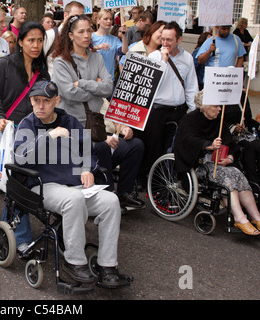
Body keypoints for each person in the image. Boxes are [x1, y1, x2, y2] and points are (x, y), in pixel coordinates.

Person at [14, 80, 132, 288]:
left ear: (57, 100)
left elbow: (87, 151)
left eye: (46, 101)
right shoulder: (27, 124)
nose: (40, 106)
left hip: (75, 185)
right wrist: (49, 136)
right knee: (74, 199)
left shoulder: (69, 121)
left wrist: (87, 169)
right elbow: (21, 159)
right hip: (44, 185)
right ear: (31, 101)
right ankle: (75, 261)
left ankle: (107, 266)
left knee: (111, 201)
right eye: (36, 101)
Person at [52, 14, 144, 210]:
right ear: (70, 35)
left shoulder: (97, 57)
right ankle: (107, 199)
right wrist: (96, 87)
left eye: (89, 30)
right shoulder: (61, 62)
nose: (87, 35)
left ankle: (124, 193)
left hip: (97, 125)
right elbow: (69, 93)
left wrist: (83, 83)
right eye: (81, 31)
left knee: (135, 145)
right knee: (101, 147)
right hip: (75, 128)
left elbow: (108, 88)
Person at [0, 21, 50, 252]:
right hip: (10, 131)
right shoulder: (5, 64)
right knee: (17, 181)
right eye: (31, 40)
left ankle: (8, 228)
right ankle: (21, 236)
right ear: (20, 41)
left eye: (40, 40)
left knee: (20, 182)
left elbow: (46, 101)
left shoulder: (42, 70)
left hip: (34, 132)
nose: (36, 45)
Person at [174, 90, 260, 236]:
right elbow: (188, 140)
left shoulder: (218, 121)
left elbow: (232, 145)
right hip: (198, 165)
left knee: (238, 174)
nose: (220, 109)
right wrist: (208, 145)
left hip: (220, 164)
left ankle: (256, 217)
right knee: (227, 180)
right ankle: (240, 218)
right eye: (216, 106)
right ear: (204, 107)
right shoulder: (189, 120)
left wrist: (230, 158)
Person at [137, 22, 198, 182]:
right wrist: (163, 61)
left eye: (169, 40)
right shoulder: (154, 57)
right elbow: (151, 83)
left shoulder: (187, 59)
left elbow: (191, 86)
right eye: (163, 39)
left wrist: (195, 111)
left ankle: (166, 181)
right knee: (153, 148)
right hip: (157, 111)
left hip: (178, 111)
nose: (165, 43)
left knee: (171, 148)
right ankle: (150, 182)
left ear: (179, 39)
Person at [43, 0, 84, 76]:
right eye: (75, 17)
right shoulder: (50, 35)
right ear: (65, 15)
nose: (79, 21)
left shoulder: (82, 38)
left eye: (82, 17)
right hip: (54, 84)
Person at [91, 9, 128, 83]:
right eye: (105, 19)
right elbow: (83, 52)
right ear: (98, 20)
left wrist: (124, 35)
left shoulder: (114, 39)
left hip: (109, 79)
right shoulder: (90, 37)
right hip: (93, 79)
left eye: (111, 19)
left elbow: (124, 51)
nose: (109, 21)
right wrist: (97, 47)